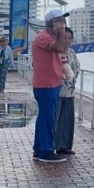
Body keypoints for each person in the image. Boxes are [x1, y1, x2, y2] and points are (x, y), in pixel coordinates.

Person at [31, 9, 71, 163]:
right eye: (59, 21)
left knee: (44, 117)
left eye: (63, 21)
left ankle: (39, 148)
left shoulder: (50, 37)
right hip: (46, 84)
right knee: (47, 118)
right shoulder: (44, 37)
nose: (63, 24)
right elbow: (59, 48)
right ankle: (46, 151)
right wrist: (61, 32)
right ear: (51, 23)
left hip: (50, 83)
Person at [54, 28, 80, 155]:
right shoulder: (56, 53)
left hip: (70, 91)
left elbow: (77, 68)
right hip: (57, 91)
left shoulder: (72, 53)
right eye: (65, 38)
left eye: (70, 38)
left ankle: (65, 146)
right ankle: (53, 145)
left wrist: (71, 79)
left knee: (67, 120)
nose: (67, 40)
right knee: (56, 119)